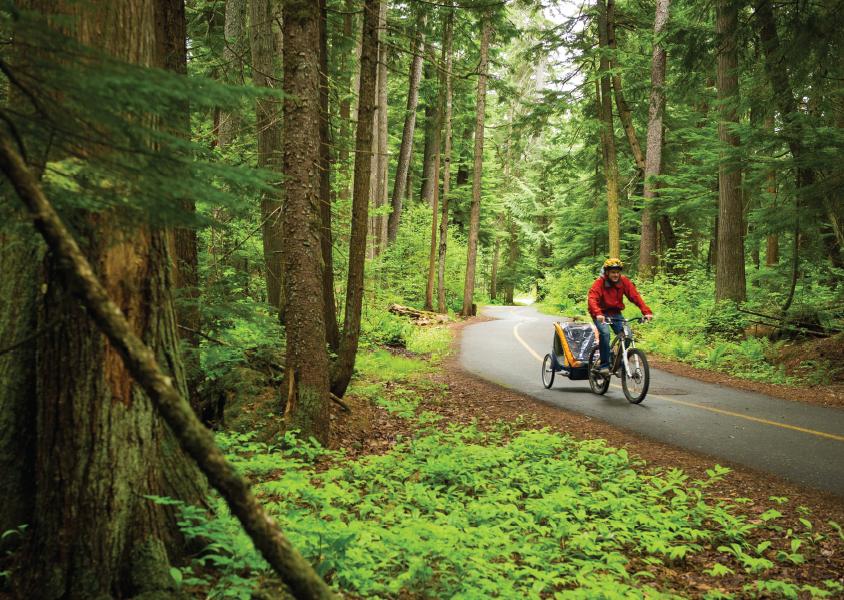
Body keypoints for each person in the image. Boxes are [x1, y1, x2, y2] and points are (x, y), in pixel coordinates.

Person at [587, 258, 653, 376]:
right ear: (607, 273)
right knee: (605, 334)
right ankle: (604, 365)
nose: (616, 275)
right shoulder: (599, 283)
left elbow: (635, 296)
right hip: (600, 314)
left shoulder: (624, 281)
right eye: (613, 272)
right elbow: (592, 299)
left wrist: (646, 311)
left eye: (618, 272)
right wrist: (598, 313)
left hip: (616, 313)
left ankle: (618, 361)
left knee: (627, 336)